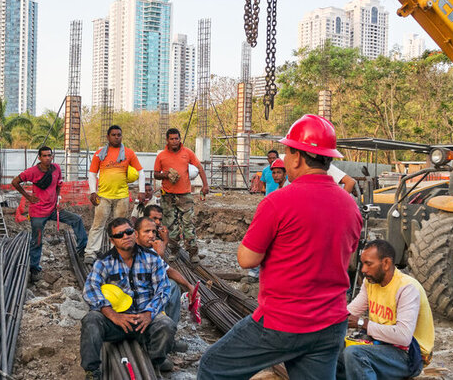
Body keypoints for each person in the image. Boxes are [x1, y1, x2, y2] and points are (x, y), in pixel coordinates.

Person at [198, 114, 362, 379]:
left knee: (214, 367)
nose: (284, 159)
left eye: (287, 152)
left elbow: (247, 259)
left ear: (297, 157)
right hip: (330, 324)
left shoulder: (279, 202)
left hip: (282, 323)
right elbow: (347, 253)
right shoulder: (350, 205)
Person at [80, 218, 174, 378]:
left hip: (145, 321)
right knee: (91, 319)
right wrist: (112, 315)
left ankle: (155, 361)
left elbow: (163, 288)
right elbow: (90, 289)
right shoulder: (104, 262)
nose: (126, 236)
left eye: (129, 232)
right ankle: (92, 370)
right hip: (116, 323)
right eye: (119, 235)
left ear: (135, 233)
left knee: (166, 324)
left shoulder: (151, 258)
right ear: (112, 240)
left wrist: (149, 313)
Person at [338, 240, 434, 380]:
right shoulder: (370, 282)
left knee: (354, 354)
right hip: (383, 346)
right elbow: (351, 312)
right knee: (333, 349)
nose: (363, 270)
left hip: (410, 356)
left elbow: (403, 337)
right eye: (363, 263)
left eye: (368, 264)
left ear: (386, 263)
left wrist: (362, 323)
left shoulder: (407, 288)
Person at [11, 147, 88, 280]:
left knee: (76, 220)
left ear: (52, 157)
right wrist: (28, 197)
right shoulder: (32, 172)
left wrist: (57, 200)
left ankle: (82, 249)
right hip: (38, 212)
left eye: (49, 155)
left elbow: (58, 184)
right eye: (44, 156)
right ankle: (34, 269)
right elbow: (15, 182)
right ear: (39, 158)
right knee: (37, 240)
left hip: (53, 209)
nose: (47, 158)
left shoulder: (56, 169)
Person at [134, 214, 194, 355]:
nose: (152, 235)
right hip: (136, 302)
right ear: (136, 234)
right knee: (168, 287)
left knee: (173, 285)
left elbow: (169, 270)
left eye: (153, 232)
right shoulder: (131, 251)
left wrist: (188, 285)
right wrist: (159, 254)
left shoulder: (148, 250)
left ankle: (167, 338)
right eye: (147, 232)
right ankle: (154, 343)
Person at [86, 125, 145, 263]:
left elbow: (140, 172)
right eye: (113, 135)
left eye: (119, 135)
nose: (116, 137)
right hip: (103, 196)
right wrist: (93, 192)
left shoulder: (129, 153)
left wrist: (141, 190)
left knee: (120, 226)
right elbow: (92, 174)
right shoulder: (99, 154)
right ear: (108, 137)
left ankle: (118, 253)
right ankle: (90, 253)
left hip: (122, 197)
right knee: (98, 224)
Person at [153, 128, 209, 262]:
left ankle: (193, 252)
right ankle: (173, 250)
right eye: (171, 139)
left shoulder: (187, 153)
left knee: (188, 224)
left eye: (176, 138)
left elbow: (199, 168)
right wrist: (165, 175)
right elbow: (155, 174)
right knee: (170, 225)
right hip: (168, 196)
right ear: (167, 140)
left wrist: (205, 185)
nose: (174, 141)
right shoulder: (161, 156)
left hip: (185, 195)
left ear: (180, 139)